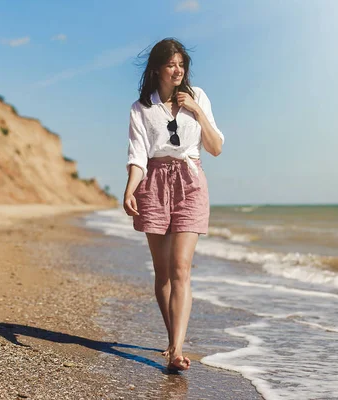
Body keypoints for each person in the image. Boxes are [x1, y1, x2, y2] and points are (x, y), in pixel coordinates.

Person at [123, 38, 224, 372]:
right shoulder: (141, 108)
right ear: (157, 68)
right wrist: (129, 190)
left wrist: (196, 111)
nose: (178, 70)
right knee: (163, 272)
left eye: (182, 64)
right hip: (153, 184)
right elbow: (138, 155)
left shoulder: (199, 97)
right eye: (171, 65)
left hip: (190, 180)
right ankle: (171, 339)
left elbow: (216, 147)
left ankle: (178, 350)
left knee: (181, 267)